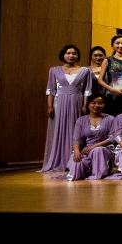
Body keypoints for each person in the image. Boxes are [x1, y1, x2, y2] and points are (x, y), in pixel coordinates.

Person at [42, 44, 93, 172]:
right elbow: (51, 90)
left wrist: (85, 105)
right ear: (63, 55)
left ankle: (75, 160)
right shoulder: (54, 70)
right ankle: (59, 160)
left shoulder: (85, 70)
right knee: (59, 129)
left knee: (75, 129)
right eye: (68, 53)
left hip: (77, 102)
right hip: (59, 104)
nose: (71, 55)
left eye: (74, 53)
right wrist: (50, 106)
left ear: (78, 55)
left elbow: (87, 91)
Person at [65, 94, 116, 181]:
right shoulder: (81, 120)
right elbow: (76, 139)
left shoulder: (110, 119)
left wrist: (94, 146)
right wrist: (76, 152)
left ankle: (98, 174)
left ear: (104, 105)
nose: (96, 105)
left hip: (104, 149)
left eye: (100, 103)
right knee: (77, 162)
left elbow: (113, 138)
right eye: (93, 103)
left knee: (98, 150)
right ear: (88, 104)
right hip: (86, 150)